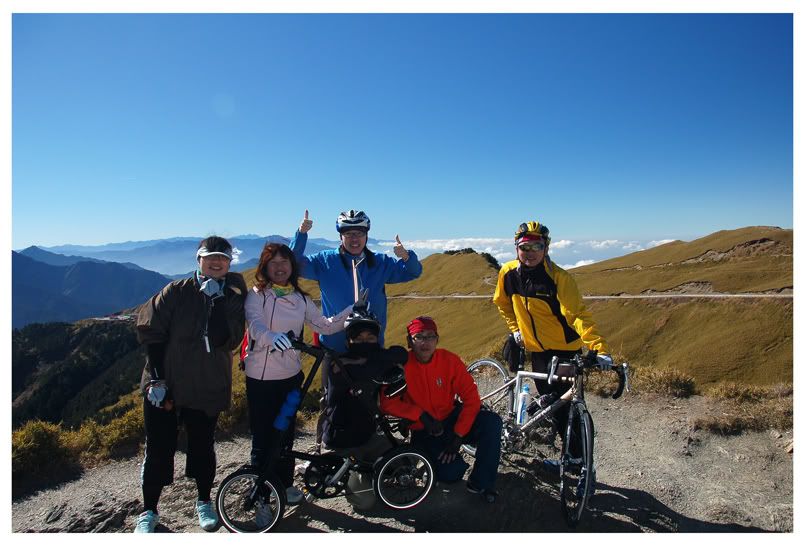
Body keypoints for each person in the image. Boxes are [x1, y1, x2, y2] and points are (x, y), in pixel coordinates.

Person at [134, 236, 247, 533]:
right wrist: (156, 378)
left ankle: (204, 501)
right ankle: (148, 510)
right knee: (158, 448)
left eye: (223, 258)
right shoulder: (176, 291)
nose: (216, 262)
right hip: (166, 383)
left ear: (229, 263)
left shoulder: (233, 299)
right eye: (210, 256)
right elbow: (152, 333)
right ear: (199, 260)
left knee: (202, 447)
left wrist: (218, 301)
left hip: (207, 384)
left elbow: (228, 340)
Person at [492, 220, 613, 492]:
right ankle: (570, 457)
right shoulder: (508, 273)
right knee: (553, 407)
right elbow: (502, 303)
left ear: (546, 248)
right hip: (536, 351)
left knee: (570, 407)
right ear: (516, 248)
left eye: (537, 246)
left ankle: (583, 465)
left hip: (565, 350)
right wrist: (516, 330)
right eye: (525, 247)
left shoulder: (559, 279)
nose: (530, 252)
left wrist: (599, 348)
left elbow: (578, 315)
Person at [243, 243, 354, 504]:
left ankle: (284, 484)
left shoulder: (301, 299)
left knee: (285, 433)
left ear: (292, 267)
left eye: (285, 262)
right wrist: (272, 336)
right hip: (261, 378)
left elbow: (324, 326)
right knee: (263, 436)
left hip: (291, 376)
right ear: (265, 267)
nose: (280, 267)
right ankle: (260, 491)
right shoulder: (257, 295)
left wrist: (352, 310)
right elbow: (255, 325)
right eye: (273, 263)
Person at [379, 316, 503, 503]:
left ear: (437, 339)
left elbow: (471, 398)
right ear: (409, 342)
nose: (425, 342)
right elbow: (387, 403)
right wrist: (420, 415)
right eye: (419, 337)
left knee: (492, 422)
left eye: (430, 336)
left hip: (451, 418)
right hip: (423, 429)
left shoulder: (449, 361)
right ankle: (435, 465)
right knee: (452, 473)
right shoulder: (401, 366)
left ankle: (481, 482)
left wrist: (458, 434)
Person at [290, 209, 422, 351]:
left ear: (366, 236)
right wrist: (301, 234)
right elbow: (292, 264)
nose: (354, 238)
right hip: (334, 348)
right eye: (348, 233)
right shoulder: (324, 261)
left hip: (371, 345)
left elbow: (413, 272)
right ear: (340, 236)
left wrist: (406, 256)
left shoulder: (380, 262)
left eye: (359, 233)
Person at [320, 307, 409, 510]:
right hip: (342, 444)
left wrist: (367, 358)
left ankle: (371, 470)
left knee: (407, 463)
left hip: (369, 437)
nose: (365, 343)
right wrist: (374, 360)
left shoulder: (358, 360)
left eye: (370, 338)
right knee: (365, 502)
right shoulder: (337, 365)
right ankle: (347, 471)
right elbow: (368, 370)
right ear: (348, 342)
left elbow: (401, 353)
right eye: (358, 339)